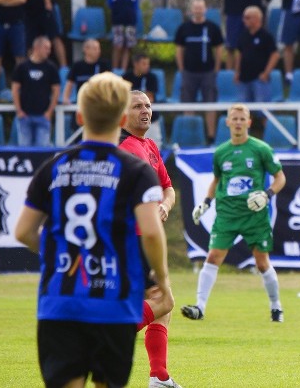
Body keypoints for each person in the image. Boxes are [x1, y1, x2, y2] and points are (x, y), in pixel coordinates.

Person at [14, 71, 172, 388]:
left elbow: (23, 232)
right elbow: (152, 232)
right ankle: (158, 375)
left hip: (60, 301)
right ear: (122, 116)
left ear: (79, 116)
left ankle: (160, 376)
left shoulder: (55, 166)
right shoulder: (133, 168)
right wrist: (163, 277)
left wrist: (60, 253)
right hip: (111, 300)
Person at [183, 103, 286, 323]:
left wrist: (267, 195)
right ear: (227, 122)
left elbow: (280, 178)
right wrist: (206, 203)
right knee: (212, 257)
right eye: (234, 118)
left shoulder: (260, 149)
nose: (238, 122)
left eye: (242, 119)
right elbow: (217, 180)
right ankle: (199, 307)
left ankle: (276, 307)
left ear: (248, 123)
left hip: (254, 215)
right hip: (227, 215)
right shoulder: (221, 152)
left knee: (262, 263)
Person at [118, 91, 181, 388]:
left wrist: (164, 206)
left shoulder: (150, 146)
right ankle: (110, 335)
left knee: (161, 305)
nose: (145, 110)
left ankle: (159, 376)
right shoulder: (123, 148)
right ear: (123, 115)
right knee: (163, 300)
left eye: (148, 106)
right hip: (133, 238)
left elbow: (168, 188)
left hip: (147, 237)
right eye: (137, 106)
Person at [174, 0, 224, 145]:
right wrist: (182, 68)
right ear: (192, 9)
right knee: (188, 105)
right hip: (189, 73)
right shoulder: (184, 28)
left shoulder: (213, 28)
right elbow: (179, 50)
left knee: (210, 104)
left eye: (200, 8)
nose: (198, 10)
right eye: (195, 8)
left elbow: (219, 48)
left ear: (205, 9)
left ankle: (211, 137)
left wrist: (216, 68)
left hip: (208, 72)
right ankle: (190, 137)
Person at [213, 0, 270, 69]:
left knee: (253, 45)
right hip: (234, 13)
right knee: (231, 47)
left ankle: (253, 71)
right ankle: (230, 74)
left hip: (252, 14)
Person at [11, 36, 60, 147]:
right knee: (25, 153)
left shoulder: (51, 68)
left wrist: (49, 112)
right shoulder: (22, 67)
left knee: (42, 154)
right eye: (46, 48)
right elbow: (14, 89)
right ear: (37, 48)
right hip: (25, 117)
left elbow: (56, 91)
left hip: (43, 117)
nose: (49, 51)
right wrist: (19, 111)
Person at [17, 0, 67, 67]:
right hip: (28, 14)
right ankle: (32, 67)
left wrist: (47, 3)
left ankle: (64, 68)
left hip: (43, 8)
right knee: (29, 42)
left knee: (55, 37)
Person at [234, 5, 280, 107]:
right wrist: (237, 72)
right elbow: (239, 54)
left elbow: (275, 54)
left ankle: (265, 124)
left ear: (256, 18)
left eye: (247, 17)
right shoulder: (243, 35)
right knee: (243, 112)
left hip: (259, 79)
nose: (244, 20)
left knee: (263, 111)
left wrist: (266, 73)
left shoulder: (266, 36)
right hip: (244, 79)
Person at [106, 0, 139, 71]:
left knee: (128, 46)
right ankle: (115, 69)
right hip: (117, 19)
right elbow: (109, 2)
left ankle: (123, 69)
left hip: (130, 20)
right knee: (118, 45)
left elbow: (136, 3)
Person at [62, 38, 110, 106]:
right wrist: (66, 98)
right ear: (86, 49)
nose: (98, 51)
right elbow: (70, 83)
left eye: (98, 48)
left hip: (100, 104)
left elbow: (110, 84)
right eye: (95, 48)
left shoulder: (104, 65)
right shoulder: (77, 66)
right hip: (82, 104)